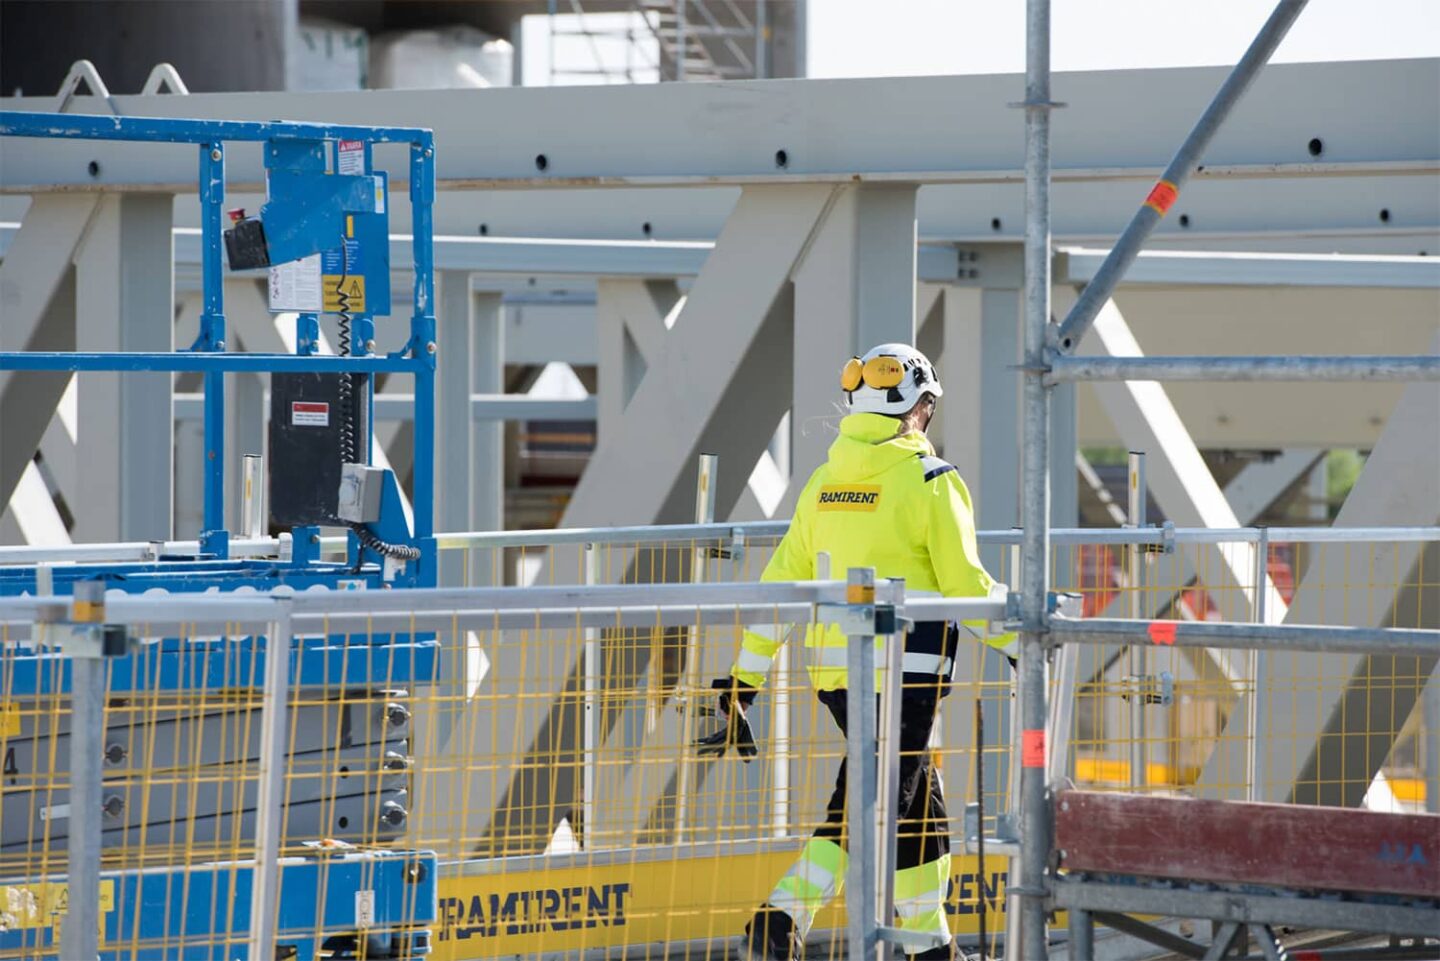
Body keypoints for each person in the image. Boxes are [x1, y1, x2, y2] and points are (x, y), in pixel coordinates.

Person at [697, 343, 1015, 961]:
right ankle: (783, 913)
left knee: (918, 803)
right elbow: (967, 588)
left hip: (835, 670)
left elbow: (781, 587)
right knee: (874, 800)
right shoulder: (931, 480)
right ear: (921, 409)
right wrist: (1026, 638)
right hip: (908, 669)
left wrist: (745, 678)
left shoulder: (823, 482)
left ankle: (931, 949)